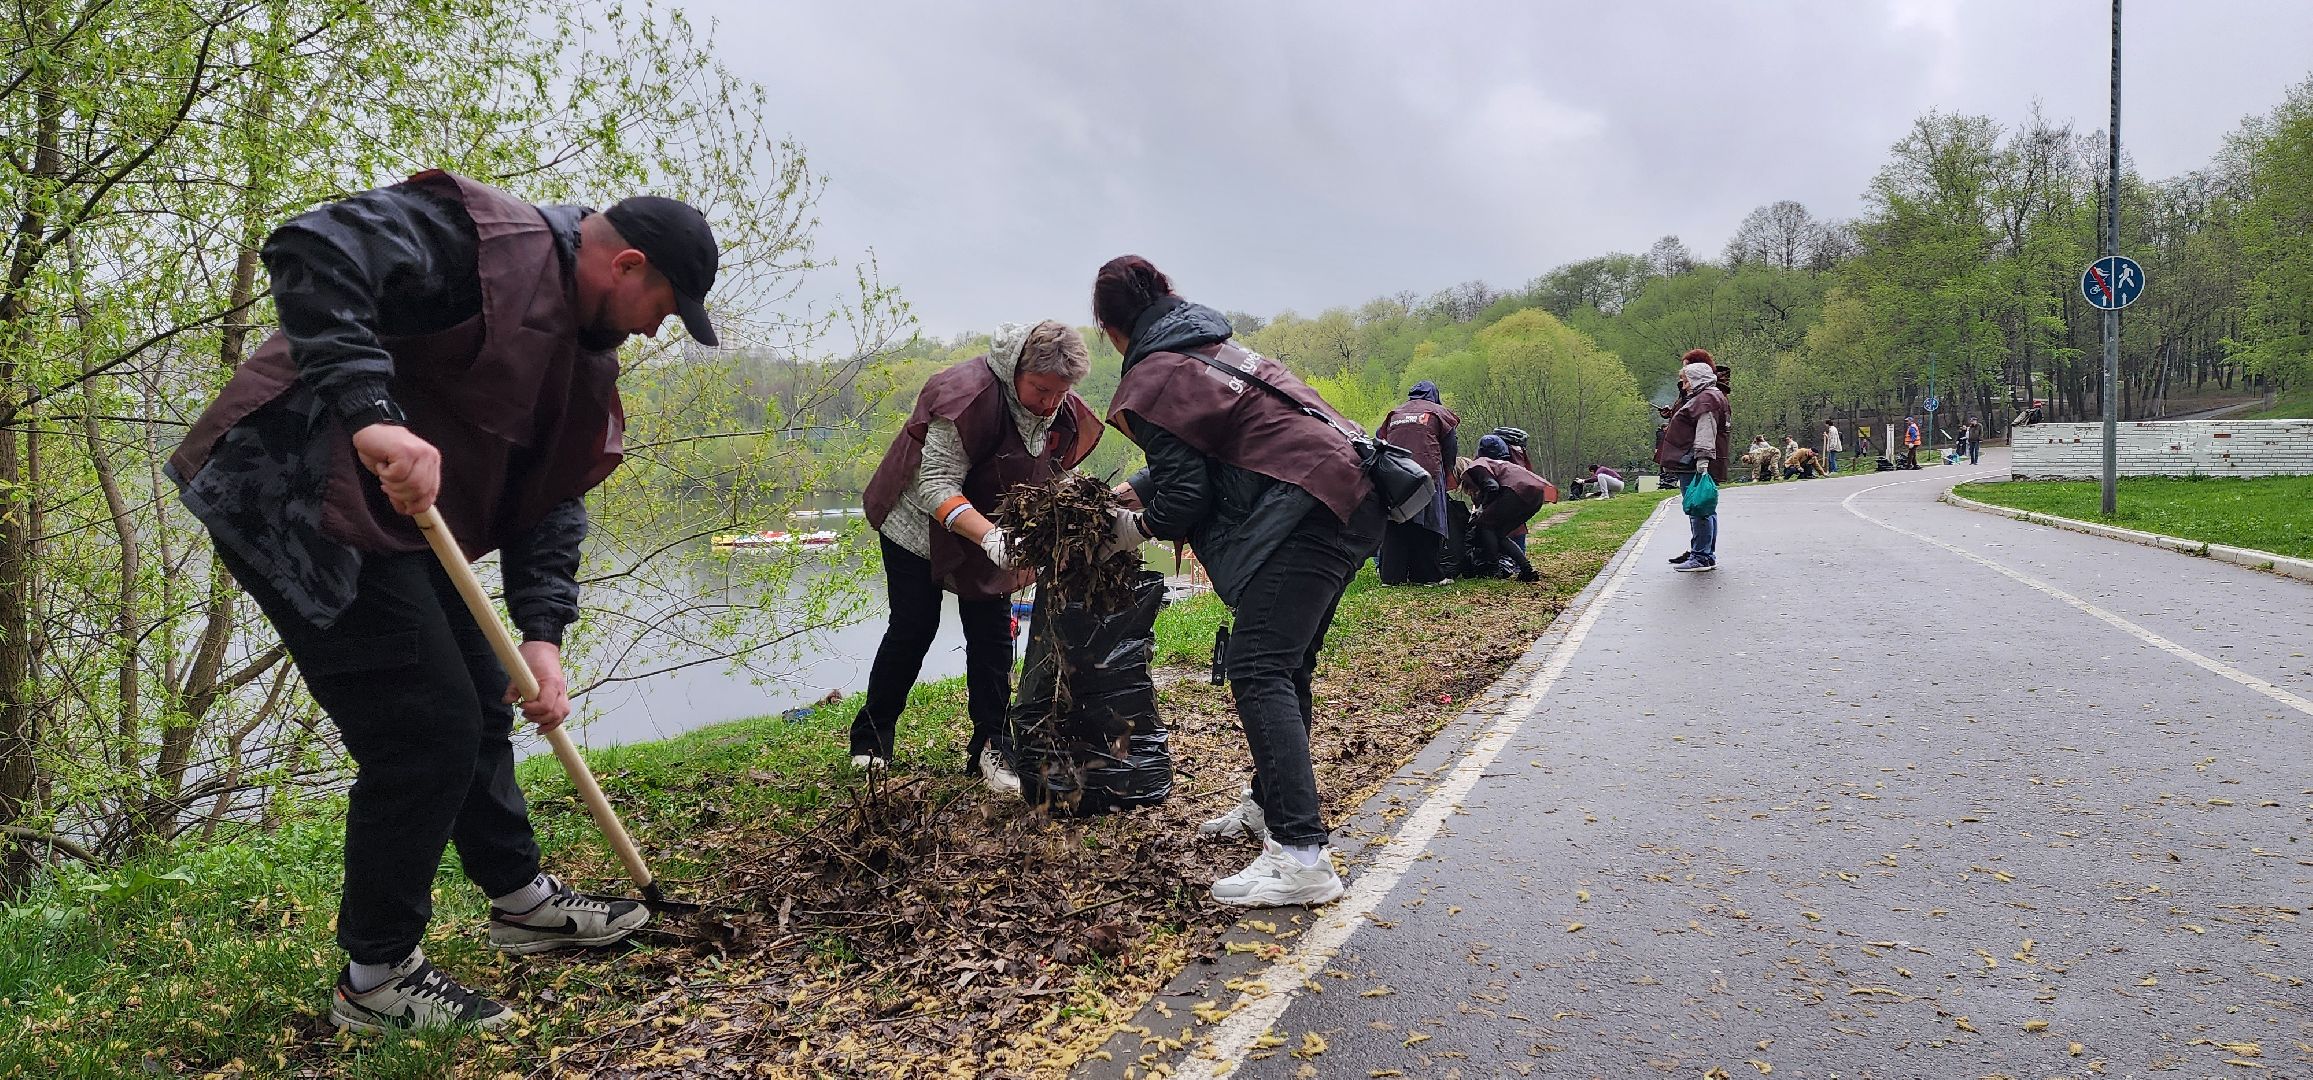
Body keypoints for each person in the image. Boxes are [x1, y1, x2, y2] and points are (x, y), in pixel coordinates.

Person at [168, 171, 722, 1032]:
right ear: (628, 265)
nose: (659, 327)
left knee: (481, 689)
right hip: (293, 495)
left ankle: (519, 902)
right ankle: (376, 978)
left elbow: (553, 495)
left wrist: (541, 638)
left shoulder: (584, 353)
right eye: (666, 305)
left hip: (405, 525)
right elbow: (310, 247)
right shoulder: (480, 241)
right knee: (424, 727)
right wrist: (372, 414)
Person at [1093, 255, 1382, 908]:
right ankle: (1265, 809)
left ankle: (1302, 859)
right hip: (1349, 493)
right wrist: (1134, 487)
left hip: (1307, 512)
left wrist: (1128, 532)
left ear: (1111, 328)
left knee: (1257, 669)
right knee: (1286, 665)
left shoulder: (1152, 373)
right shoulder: (1209, 347)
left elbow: (1187, 493)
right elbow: (1218, 443)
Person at [857, 321, 1101, 789]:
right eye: (1041, 390)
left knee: (991, 638)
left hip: (991, 526)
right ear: (1017, 372)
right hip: (917, 526)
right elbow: (934, 485)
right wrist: (991, 538)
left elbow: (1052, 474)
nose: (1051, 403)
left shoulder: (1060, 410)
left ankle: (991, 746)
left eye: (1061, 393)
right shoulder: (967, 398)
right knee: (913, 627)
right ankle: (872, 739)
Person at [1375, 382, 1458, 586]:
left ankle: (1392, 577)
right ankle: (1427, 576)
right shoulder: (1439, 413)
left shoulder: (1395, 413)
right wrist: (1449, 470)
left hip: (1396, 474)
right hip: (1427, 473)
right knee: (1428, 522)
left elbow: (1379, 437)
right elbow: (1450, 447)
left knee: (1397, 521)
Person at [1655, 351, 1730, 572]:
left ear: (1697, 377)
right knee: (1704, 507)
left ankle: (1701, 556)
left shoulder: (1706, 399)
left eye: (1686, 380)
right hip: (1693, 460)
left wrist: (1702, 460)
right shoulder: (1708, 396)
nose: (1683, 385)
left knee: (1699, 508)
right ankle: (1704, 552)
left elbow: (1706, 432)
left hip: (1692, 461)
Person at [1455, 436, 1546, 582]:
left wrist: (1481, 511)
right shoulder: (1491, 464)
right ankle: (1527, 570)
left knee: (1485, 526)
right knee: (1498, 534)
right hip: (1535, 494)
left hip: (1518, 491)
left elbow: (1492, 488)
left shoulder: (1477, 466)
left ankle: (1493, 569)